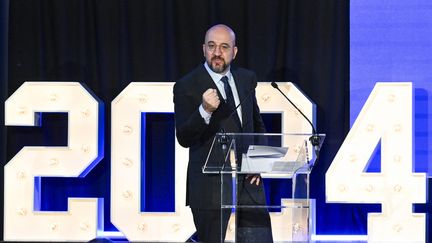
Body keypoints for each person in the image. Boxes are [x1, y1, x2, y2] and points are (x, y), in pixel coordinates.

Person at [173, 24, 273, 243]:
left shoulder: (247, 79)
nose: (217, 53)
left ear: (234, 52)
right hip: (210, 189)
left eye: (224, 47)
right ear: (204, 49)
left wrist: (259, 163)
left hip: (249, 183)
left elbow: (257, 125)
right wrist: (204, 111)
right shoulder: (186, 86)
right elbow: (183, 137)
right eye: (212, 46)